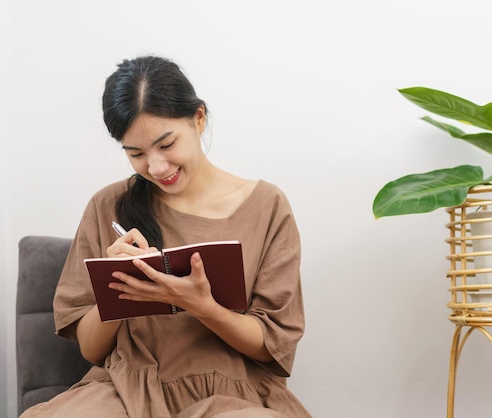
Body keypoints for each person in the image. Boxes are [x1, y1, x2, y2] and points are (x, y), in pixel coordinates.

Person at [20, 55, 311, 418]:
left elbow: (271, 347)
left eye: (167, 144)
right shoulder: (108, 205)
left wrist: (201, 306)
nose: (156, 168)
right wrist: (119, 290)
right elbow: (92, 351)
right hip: (125, 391)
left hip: (233, 394)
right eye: (136, 154)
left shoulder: (267, 206)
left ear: (199, 119)